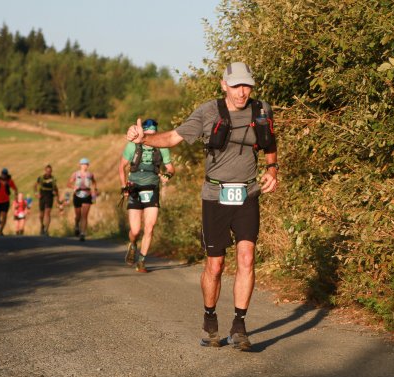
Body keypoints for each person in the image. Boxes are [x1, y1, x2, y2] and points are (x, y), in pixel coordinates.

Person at [126, 62, 278, 350]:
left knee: (246, 257)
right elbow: (173, 138)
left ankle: (239, 326)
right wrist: (144, 138)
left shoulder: (261, 109)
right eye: (236, 86)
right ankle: (210, 319)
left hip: (248, 193)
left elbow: (270, 142)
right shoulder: (208, 112)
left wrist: (272, 171)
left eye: (246, 85)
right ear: (224, 85)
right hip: (215, 195)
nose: (242, 92)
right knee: (215, 265)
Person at [119, 119, 175, 273]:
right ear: (142, 132)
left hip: (152, 188)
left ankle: (142, 261)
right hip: (134, 188)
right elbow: (121, 166)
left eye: (154, 134)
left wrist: (168, 175)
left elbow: (171, 168)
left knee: (149, 228)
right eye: (148, 135)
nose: (151, 138)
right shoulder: (133, 146)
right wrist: (124, 186)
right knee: (135, 230)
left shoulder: (162, 146)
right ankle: (133, 244)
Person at [67, 158, 98, 242]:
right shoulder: (75, 174)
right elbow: (68, 183)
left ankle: (82, 233)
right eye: (83, 164)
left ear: (88, 165)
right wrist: (74, 187)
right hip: (77, 195)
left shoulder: (90, 175)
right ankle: (77, 225)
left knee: (84, 216)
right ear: (80, 165)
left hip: (87, 195)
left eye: (86, 164)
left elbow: (94, 183)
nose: (84, 166)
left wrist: (95, 191)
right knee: (78, 215)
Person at [0, 168, 18, 236]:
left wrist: (16, 196)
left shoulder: (10, 181)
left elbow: (15, 189)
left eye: (4, 174)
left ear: (6, 175)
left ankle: (1, 230)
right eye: (2, 174)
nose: (3, 176)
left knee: (4, 216)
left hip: (5, 201)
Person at [34, 164, 60, 236]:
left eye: (50, 171)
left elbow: (56, 189)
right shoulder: (41, 178)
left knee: (48, 213)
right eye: (47, 171)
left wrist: (57, 198)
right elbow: (35, 186)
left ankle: (46, 229)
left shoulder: (53, 179)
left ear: (51, 171)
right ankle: (42, 226)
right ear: (45, 171)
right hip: (42, 196)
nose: (48, 172)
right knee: (41, 215)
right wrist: (36, 193)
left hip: (49, 197)